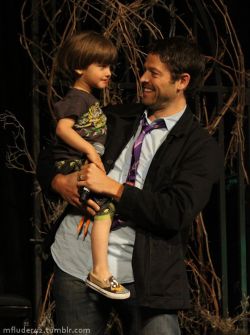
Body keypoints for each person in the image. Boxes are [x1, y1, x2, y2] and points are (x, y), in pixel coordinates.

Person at [37, 36, 223, 334]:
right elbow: (50, 156)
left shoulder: (201, 148)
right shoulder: (116, 117)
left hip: (145, 275)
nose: (143, 79)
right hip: (76, 262)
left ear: (182, 81)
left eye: (153, 73)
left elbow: (174, 212)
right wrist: (60, 181)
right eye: (144, 70)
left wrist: (113, 188)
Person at [51, 31, 130, 299]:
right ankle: (100, 272)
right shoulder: (77, 97)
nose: (108, 72)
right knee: (106, 207)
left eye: (110, 66)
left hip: (79, 161)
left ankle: (100, 269)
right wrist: (88, 152)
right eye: (101, 66)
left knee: (101, 208)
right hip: (71, 162)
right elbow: (63, 129)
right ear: (79, 67)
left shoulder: (89, 98)